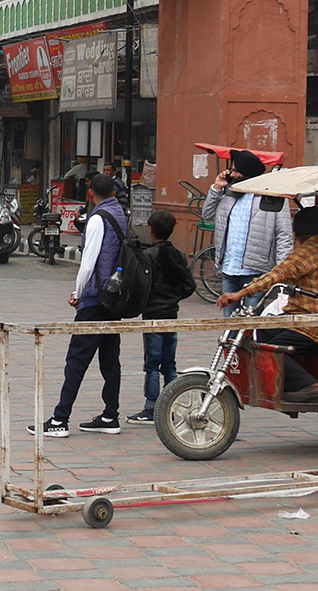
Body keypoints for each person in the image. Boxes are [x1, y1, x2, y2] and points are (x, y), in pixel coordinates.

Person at [31, 173, 127, 437]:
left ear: (90, 192)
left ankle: (60, 419)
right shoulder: (119, 213)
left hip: (95, 299)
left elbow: (88, 263)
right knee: (110, 360)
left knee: (76, 360)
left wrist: (78, 292)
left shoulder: (98, 218)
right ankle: (110, 415)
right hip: (112, 297)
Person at [218, 206, 318, 392]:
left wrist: (240, 293)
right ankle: (284, 384)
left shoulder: (309, 250)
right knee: (263, 331)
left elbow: (278, 274)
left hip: (308, 322)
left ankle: (308, 386)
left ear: (298, 233)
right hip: (298, 318)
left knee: (267, 351)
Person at [126, 209, 196, 424]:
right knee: (169, 364)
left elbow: (140, 285)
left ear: (151, 230)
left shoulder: (148, 256)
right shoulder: (178, 255)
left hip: (153, 314)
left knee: (152, 363)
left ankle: (151, 408)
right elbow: (189, 285)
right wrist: (173, 298)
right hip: (171, 313)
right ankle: (171, 406)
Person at [203, 149, 292, 298]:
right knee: (228, 318)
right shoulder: (228, 196)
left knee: (251, 318)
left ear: (247, 173)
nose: (231, 174)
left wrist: (281, 272)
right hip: (228, 270)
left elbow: (284, 236)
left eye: (235, 171)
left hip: (256, 274)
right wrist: (216, 188)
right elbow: (207, 215)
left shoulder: (272, 198)